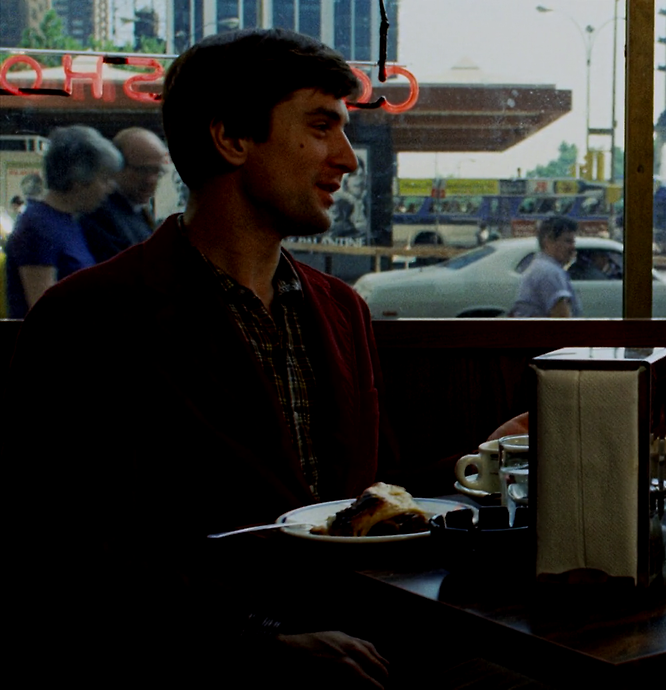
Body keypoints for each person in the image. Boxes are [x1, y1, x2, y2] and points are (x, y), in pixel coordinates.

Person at [5, 30, 397, 687]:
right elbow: (63, 543)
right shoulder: (88, 317)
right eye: (321, 126)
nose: (348, 158)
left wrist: (487, 452)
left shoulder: (342, 310)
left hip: (362, 652)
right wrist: (257, 639)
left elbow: (362, 497)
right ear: (231, 138)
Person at [3, 125, 119, 317]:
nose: (110, 188)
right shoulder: (37, 227)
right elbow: (44, 312)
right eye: (104, 179)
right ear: (78, 179)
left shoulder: (67, 221)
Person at [79, 127, 170, 262]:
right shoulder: (101, 214)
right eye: (143, 170)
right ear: (116, 166)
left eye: (157, 171)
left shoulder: (136, 210)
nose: (151, 180)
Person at [510, 214, 581, 317]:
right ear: (548, 242)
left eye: (573, 242)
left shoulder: (541, 266)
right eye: (568, 241)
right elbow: (561, 317)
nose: (573, 247)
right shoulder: (548, 272)